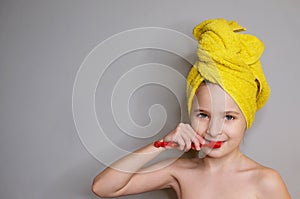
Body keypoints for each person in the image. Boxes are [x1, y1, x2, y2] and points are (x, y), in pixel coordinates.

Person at [92, 18, 291, 198]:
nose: (214, 130)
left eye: (229, 117)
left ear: (246, 119)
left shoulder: (265, 181)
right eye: (203, 115)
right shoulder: (179, 172)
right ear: (190, 114)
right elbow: (103, 187)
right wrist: (161, 144)